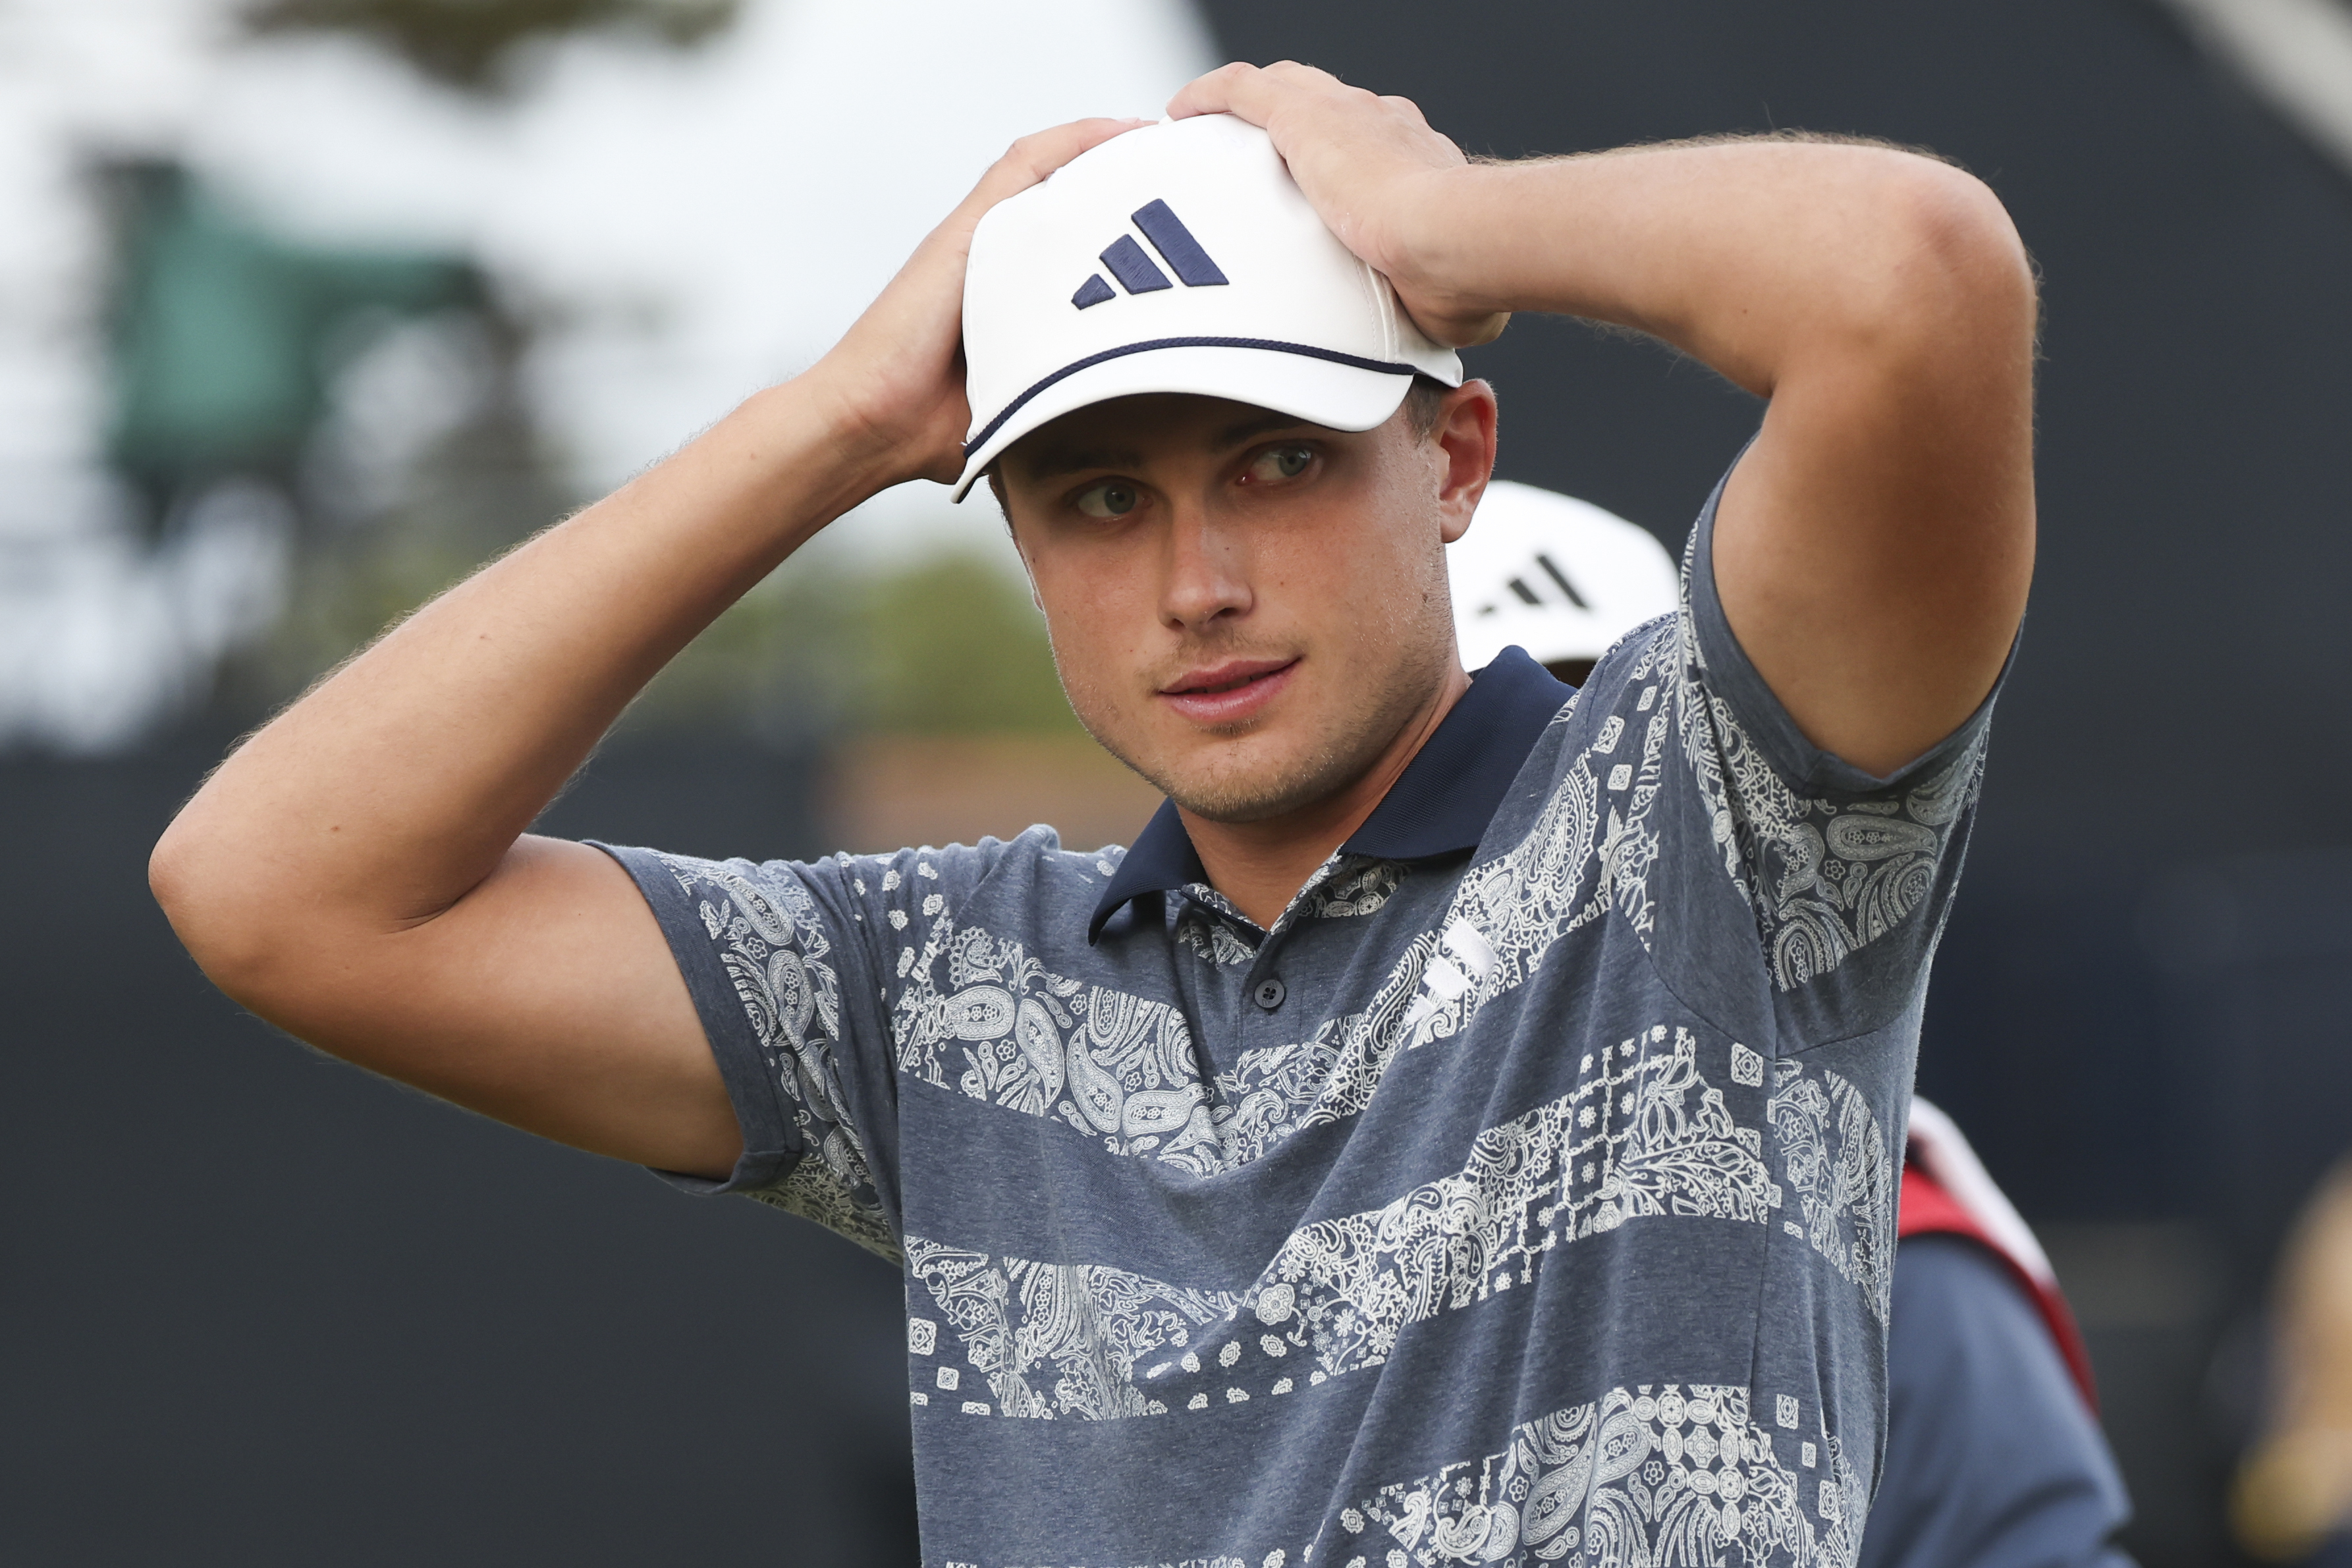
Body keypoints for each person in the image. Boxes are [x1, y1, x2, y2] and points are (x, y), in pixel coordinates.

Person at [150, 62, 2037, 1566]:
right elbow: (275, 889)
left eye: (1277, 459)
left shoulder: (1702, 827)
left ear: (1450, 456)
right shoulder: (945, 985)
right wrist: (835, 421)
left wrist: (1438, 227)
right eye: (1097, 498)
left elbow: (1913, 281)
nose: (1194, 578)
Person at [1451, 485, 2135, 1565]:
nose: (1567, 837)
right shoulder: (1182, 1218)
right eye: (1474, 785)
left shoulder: (1902, 1270)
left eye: (1624, 756)